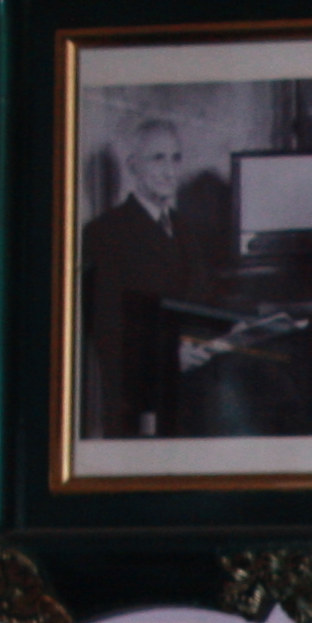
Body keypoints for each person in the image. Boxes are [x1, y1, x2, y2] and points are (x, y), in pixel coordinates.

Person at [79, 115, 218, 438]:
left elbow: (201, 300)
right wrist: (170, 356)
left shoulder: (184, 228)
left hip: (193, 389)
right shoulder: (104, 233)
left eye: (175, 158)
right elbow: (106, 327)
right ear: (132, 166)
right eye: (158, 159)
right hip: (139, 397)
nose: (170, 171)